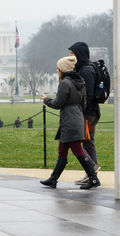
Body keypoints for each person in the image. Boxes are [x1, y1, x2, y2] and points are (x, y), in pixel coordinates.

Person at [40, 56, 100, 190]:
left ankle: (94, 178)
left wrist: (46, 99)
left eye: (58, 68)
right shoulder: (79, 82)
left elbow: (57, 103)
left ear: (63, 69)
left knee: (78, 151)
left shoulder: (65, 84)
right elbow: (84, 103)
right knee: (62, 150)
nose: (56, 70)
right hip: (76, 118)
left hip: (69, 121)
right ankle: (53, 179)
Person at [68, 42, 101, 185]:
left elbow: (87, 94)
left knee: (87, 141)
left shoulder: (87, 70)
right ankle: (90, 172)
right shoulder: (84, 68)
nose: (70, 56)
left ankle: (92, 170)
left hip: (89, 112)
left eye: (72, 53)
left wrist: (81, 112)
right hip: (88, 111)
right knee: (87, 142)